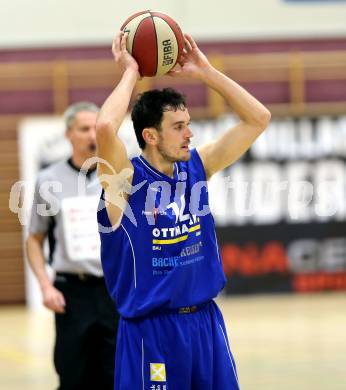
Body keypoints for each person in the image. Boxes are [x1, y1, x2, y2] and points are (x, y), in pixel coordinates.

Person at [96, 31, 271, 390]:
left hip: (206, 323)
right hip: (152, 331)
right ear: (151, 136)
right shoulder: (124, 183)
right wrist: (131, 71)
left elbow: (259, 118)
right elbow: (103, 127)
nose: (189, 133)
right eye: (178, 127)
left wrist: (206, 71)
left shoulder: (197, 166)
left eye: (188, 123)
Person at [26, 102, 119, 390]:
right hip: (72, 293)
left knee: (115, 374)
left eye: (96, 127)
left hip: (113, 291)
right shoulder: (49, 180)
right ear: (69, 134)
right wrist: (45, 286)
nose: (92, 134)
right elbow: (35, 238)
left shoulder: (118, 176)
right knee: (73, 374)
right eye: (84, 129)